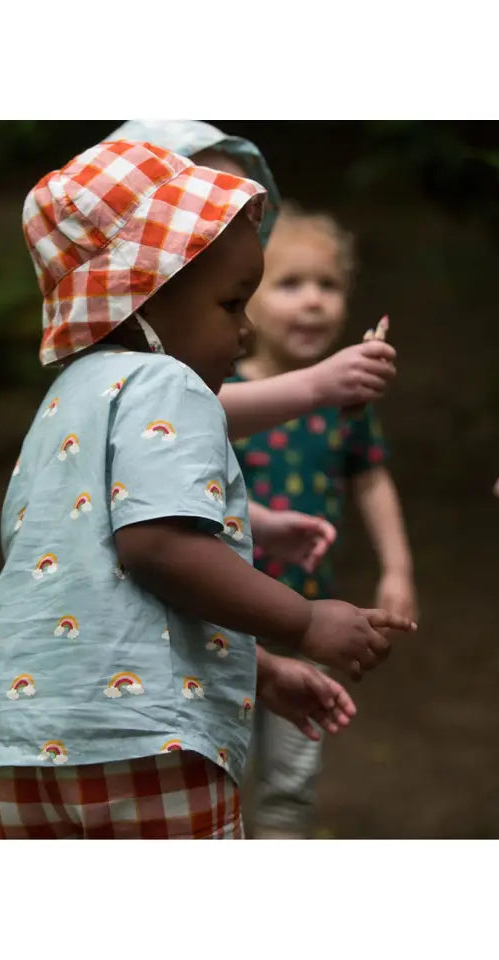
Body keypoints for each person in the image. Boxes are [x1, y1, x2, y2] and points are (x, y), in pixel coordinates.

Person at [0, 139, 415, 840]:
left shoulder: (67, 398)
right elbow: (160, 549)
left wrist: (259, 672)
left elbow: (105, 594)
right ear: (144, 295)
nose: (244, 330)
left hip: (20, 742)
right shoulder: (168, 383)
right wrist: (302, 623)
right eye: (231, 303)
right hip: (150, 739)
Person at [108, 120, 398, 578]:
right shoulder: (134, 378)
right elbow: (192, 416)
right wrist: (321, 384)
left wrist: (259, 525)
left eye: (327, 284)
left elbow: (199, 481)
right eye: (232, 302)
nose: (313, 300)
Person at [232, 203, 418, 838]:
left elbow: (371, 479)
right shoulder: (216, 392)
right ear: (242, 300)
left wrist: (397, 566)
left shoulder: (347, 398)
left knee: (292, 779)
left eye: (328, 285)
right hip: (222, 616)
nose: (313, 301)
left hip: (310, 613)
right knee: (220, 770)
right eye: (290, 284)